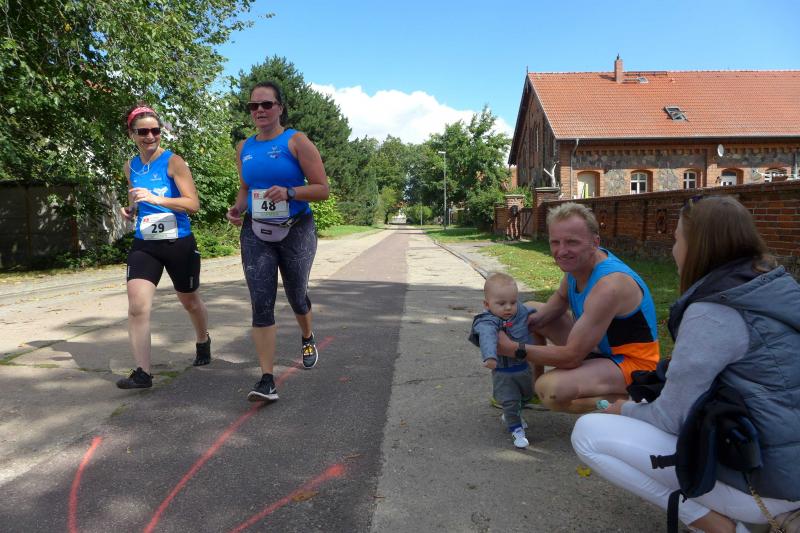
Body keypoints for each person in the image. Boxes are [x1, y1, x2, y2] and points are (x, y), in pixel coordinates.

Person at [571, 196, 800, 533]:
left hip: (766, 483)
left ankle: (725, 527)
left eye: (677, 239)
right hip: (785, 465)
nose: (673, 250)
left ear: (699, 246)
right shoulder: (776, 288)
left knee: (588, 433)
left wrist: (623, 409)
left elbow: (671, 419)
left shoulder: (714, 312)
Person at [496, 202, 660, 413]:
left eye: (572, 242)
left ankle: (633, 402)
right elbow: (559, 300)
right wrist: (521, 324)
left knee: (552, 390)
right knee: (530, 311)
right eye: (555, 242)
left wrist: (511, 348)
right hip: (599, 348)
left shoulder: (609, 285)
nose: (562, 251)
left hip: (634, 365)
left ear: (595, 242)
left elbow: (571, 357)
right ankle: (529, 390)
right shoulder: (578, 266)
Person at [226, 81, 330, 402]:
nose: (259, 110)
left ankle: (307, 336)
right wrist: (237, 208)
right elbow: (245, 187)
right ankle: (267, 379)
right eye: (253, 106)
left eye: (266, 104)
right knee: (261, 301)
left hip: (296, 228)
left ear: (280, 108)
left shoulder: (296, 141)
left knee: (296, 295)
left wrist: (289, 192)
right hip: (256, 230)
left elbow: (322, 189)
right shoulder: (244, 148)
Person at [117, 103, 211, 389]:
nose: (150, 136)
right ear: (132, 134)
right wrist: (131, 210)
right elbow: (136, 199)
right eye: (143, 131)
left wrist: (157, 199)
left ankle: (203, 340)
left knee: (189, 301)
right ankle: (142, 373)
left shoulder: (173, 162)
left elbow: (193, 204)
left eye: (155, 130)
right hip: (145, 242)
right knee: (137, 307)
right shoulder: (130, 166)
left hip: (177, 241)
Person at [469, 273, 542, 448]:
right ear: (487, 304)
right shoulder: (487, 322)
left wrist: (536, 317)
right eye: (501, 304)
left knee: (526, 396)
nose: (508, 307)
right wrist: (490, 356)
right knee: (510, 400)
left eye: (513, 302)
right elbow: (487, 337)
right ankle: (516, 430)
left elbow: (528, 312)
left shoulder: (518, 312)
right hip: (504, 372)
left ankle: (512, 414)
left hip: (523, 367)